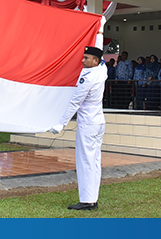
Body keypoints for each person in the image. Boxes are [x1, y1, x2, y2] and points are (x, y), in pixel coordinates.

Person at [49, 46, 107, 211]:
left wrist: (61, 123)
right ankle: (92, 198)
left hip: (88, 124)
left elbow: (75, 102)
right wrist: (99, 32)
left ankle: (87, 201)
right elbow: (102, 59)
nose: (83, 60)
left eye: (86, 58)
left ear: (95, 61)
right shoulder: (102, 71)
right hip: (98, 123)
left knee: (85, 162)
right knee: (95, 161)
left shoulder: (87, 78)